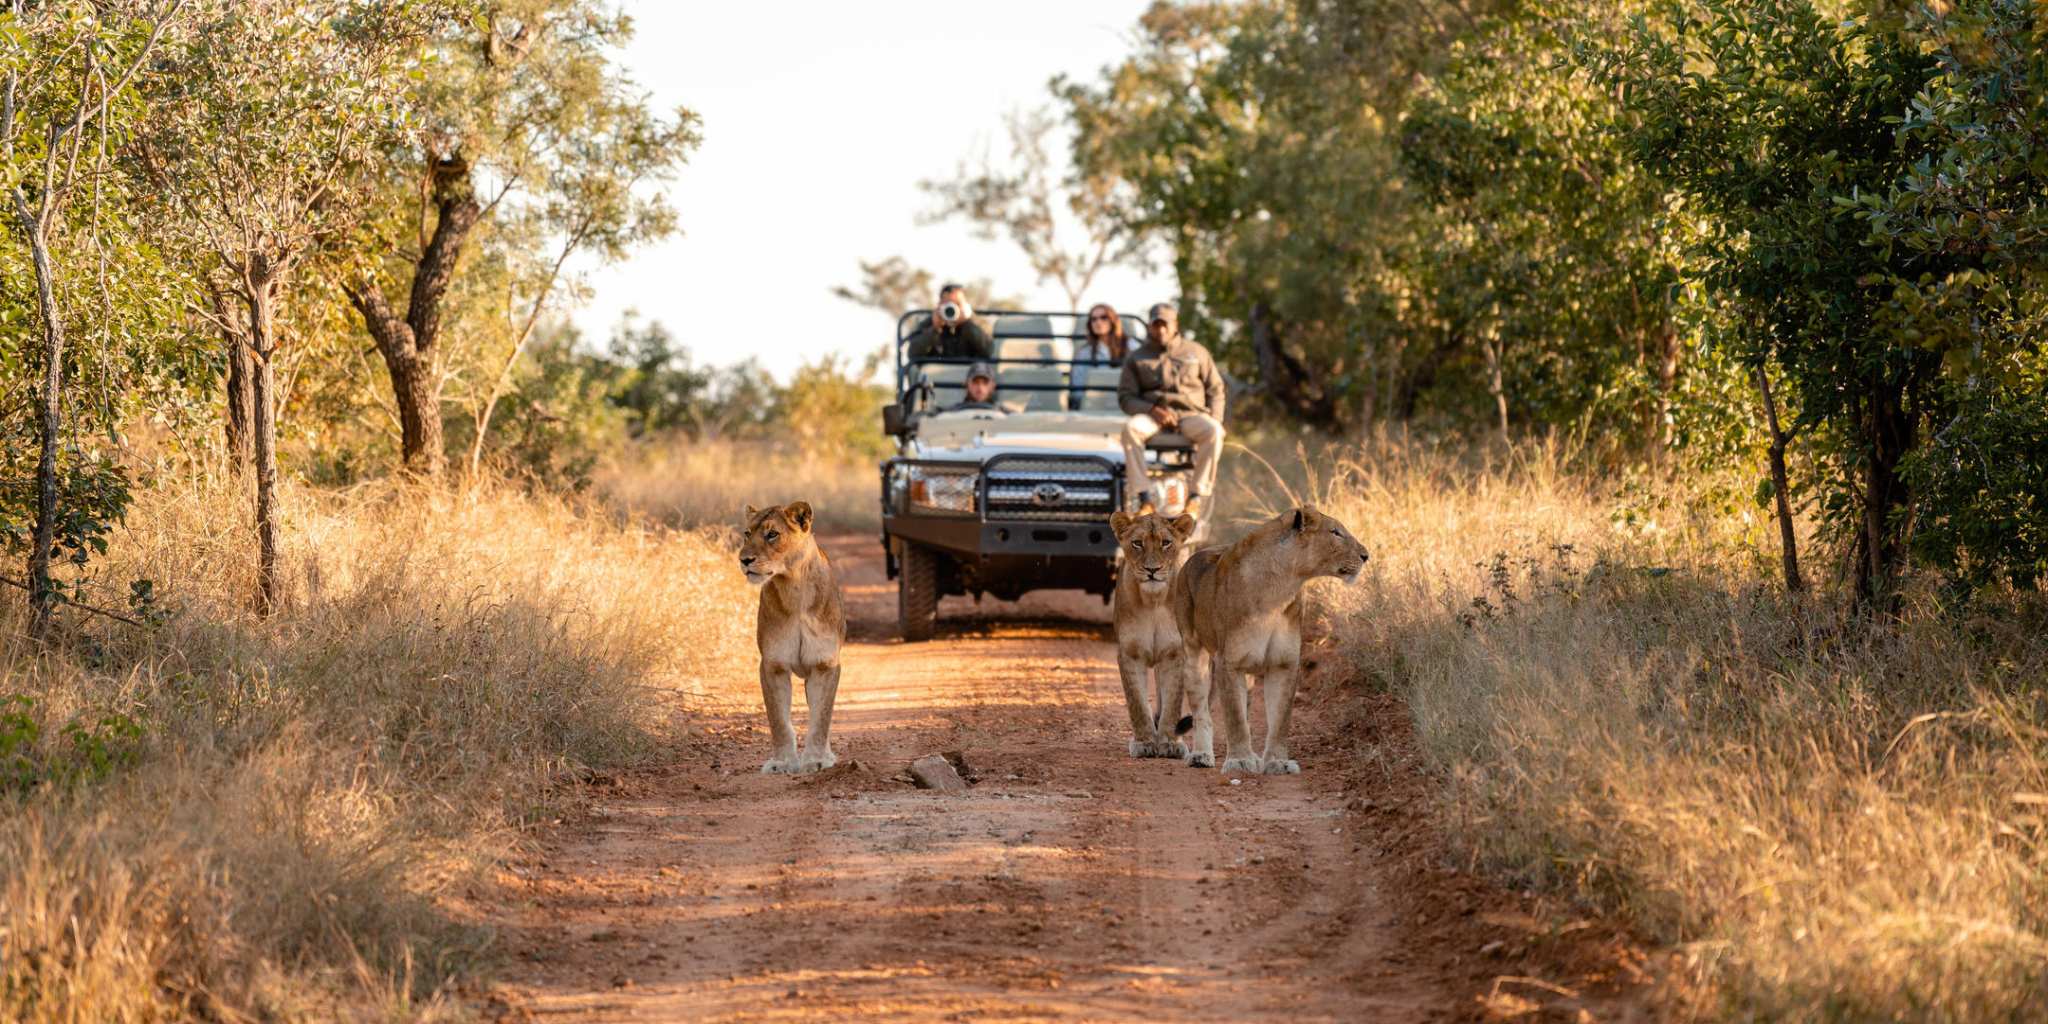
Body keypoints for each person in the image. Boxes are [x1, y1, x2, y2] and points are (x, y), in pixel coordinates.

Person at [1118, 302, 1225, 519]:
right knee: (1130, 429)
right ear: (1149, 327)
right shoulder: (1136, 357)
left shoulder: (1197, 352)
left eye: (1165, 324)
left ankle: (1195, 498)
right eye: (1156, 325)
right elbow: (1125, 397)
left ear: (1175, 324)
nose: (1161, 330)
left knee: (1214, 431)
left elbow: (1216, 390)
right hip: (1154, 416)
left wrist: (1215, 419)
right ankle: (1145, 499)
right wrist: (1151, 409)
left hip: (1190, 416)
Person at [904, 282, 994, 360]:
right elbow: (912, 354)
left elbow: (989, 351)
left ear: (965, 305)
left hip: (969, 375)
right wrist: (935, 329)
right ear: (939, 305)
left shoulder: (978, 322)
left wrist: (967, 323)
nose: (953, 308)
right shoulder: (929, 323)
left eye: (957, 304)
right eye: (948, 304)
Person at [1071, 302, 1128, 408]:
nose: (1098, 322)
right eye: (1094, 319)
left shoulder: (1131, 346)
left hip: (1125, 404)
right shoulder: (1084, 353)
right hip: (1093, 406)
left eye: (1103, 317)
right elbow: (1077, 390)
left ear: (1113, 320)